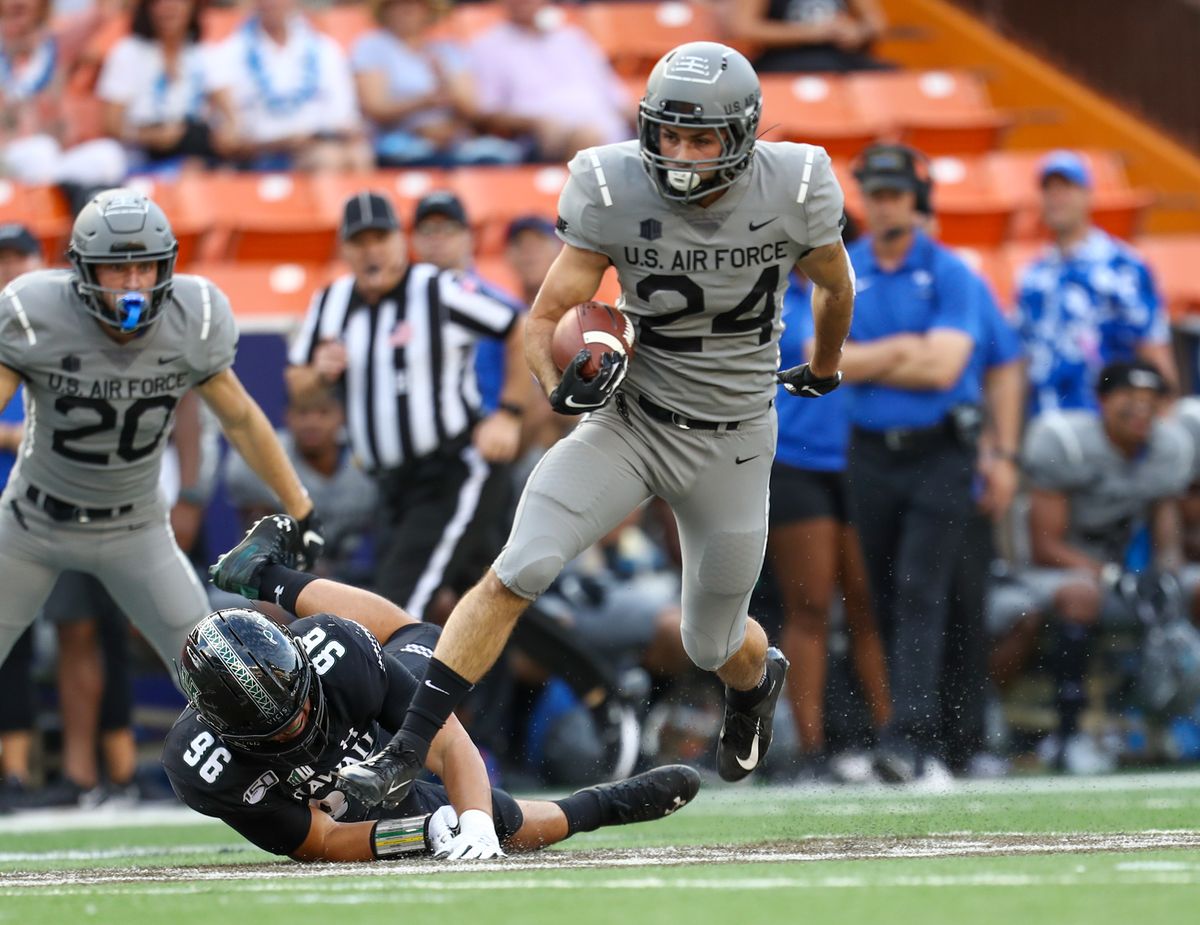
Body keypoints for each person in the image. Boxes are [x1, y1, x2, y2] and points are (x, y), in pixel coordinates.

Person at [333, 41, 855, 804]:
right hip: (632, 423)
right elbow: (543, 318)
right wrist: (560, 387)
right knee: (517, 569)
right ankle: (406, 748)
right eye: (668, 134)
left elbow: (836, 287)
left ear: (742, 137)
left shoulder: (797, 182)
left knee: (712, 639)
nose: (679, 155)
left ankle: (755, 677)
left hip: (735, 439)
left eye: (701, 138)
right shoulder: (611, 184)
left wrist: (826, 365)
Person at [169, 513, 702, 862]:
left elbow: (445, 741)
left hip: (369, 730)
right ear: (226, 732)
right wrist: (425, 831)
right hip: (339, 807)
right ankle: (604, 805)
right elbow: (320, 840)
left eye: (302, 706)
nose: (303, 723)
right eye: (281, 728)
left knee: (420, 640)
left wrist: (468, 823)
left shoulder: (335, 652)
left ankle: (267, 576)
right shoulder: (202, 766)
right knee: (503, 820)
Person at [0, 188, 324, 678]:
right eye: (116, 269)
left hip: (135, 527)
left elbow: (240, 418)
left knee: (219, 678)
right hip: (33, 523)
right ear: (84, 270)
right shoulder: (36, 313)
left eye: (145, 267)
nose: (133, 284)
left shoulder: (191, 317)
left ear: (166, 266)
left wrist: (300, 506)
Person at [286, 191, 531, 622]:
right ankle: (596, 687)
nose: (371, 251)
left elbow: (519, 327)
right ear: (345, 249)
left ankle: (387, 692)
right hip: (391, 486)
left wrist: (508, 414)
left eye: (381, 238)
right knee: (490, 604)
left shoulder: (439, 290)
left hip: (452, 471)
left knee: (396, 607)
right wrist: (319, 373)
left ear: (402, 242)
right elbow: (297, 381)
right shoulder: (331, 302)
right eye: (360, 242)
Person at [834, 143, 986, 783]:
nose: (883, 204)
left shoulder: (949, 271)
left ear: (916, 202)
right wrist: (906, 348)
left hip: (939, 452)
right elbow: (833, 360)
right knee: (889, 594)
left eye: (895, 193)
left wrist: (877, 355)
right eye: (875, 193)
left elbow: (946, 365)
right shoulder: (846, 270)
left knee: (926, 590)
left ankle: (911, 739)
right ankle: (935, 737)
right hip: (870, 453)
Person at [988, 360, 1193, 773]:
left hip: (1117, 577)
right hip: (1041, 574)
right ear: (1101, 402)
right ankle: (1068, 734)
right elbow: (1045, 546)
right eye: (1129, 399)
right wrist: (1112, 576)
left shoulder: (1168, 448)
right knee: (1079, 595)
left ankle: (1176, 719)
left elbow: (1167, 534)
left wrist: (1165, 574)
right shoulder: (1064, 441)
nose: (1141, 409)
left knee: (1191, 587)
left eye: (1151, 400)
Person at [767, 263, 892, 781]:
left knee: (868, 603)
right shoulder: (769, 290)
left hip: (864, 457)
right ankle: (811, 751)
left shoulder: (865, 287)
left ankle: (894, 740)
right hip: (796, 461)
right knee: (809, 606)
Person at [1016, 150, 1177, 417]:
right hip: (1046, 423)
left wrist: (1166, 417)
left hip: (1109, 425)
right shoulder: (1033, 276)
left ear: (1088, 195)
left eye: (1066, 187)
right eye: (1049, 189)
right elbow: (1021, 359)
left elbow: (1152, 347)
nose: (1056, 197)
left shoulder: (1122, 266)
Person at [223, 381, 379, 584]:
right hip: (272, 577)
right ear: (287, 415)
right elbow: (259, 547)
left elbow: (386, 536)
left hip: (344, 575)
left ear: (342, 415)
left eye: (323, 412)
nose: (312, 422)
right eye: (303, 412)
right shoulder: (261, 459)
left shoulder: (367, 462)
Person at [350, 0, 520, 167]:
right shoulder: (373, 47)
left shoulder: (447, 50)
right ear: (386, 10)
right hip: (400, 142)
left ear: (428, 10)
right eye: (399, 4)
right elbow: (376, 108)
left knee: (501, 159)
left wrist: (446, 87)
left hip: (453, 141)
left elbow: (472, 109)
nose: (407, 10)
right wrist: (424, 102)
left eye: (415, 5)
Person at [214, 0, 371, 171]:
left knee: (359, 154)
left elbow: (345, 116)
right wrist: (283, 141)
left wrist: (319, 136)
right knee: (327, 158)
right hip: (262, 155)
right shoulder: (228, 53)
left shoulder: (324, 48)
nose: (272, 3)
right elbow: (229, 137)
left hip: (322, 142)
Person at [467, 0, 632, 162]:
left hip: (610, 131)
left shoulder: (573, 38)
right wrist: (535, 123)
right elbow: (486, 112)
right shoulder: (488, 45)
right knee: (588, 139)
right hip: (541, 139)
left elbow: (616, 98)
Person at [96, 0, 238, 175]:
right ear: (147, 8)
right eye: (159, 2)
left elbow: (230, 114)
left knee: (224, 172)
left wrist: (228, 132)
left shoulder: (203, 54)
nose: (170, 7)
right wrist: (153, 136)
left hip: (196, 152)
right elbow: (112, 125)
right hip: (143, 159)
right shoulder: (129, 52)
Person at [0, 0, 126, 188]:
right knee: (39, 153)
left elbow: (103, 11)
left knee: (110, 156)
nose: (19, 3)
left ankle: (68, 204)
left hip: (56, 158)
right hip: (9, 159)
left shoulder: (58, 44)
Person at [728, 0, 890, 73]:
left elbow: (875, 22)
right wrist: (812, 33)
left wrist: (857, 32)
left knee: (891, 77)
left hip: (840, 57)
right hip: (784, 59)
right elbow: (745, 28)